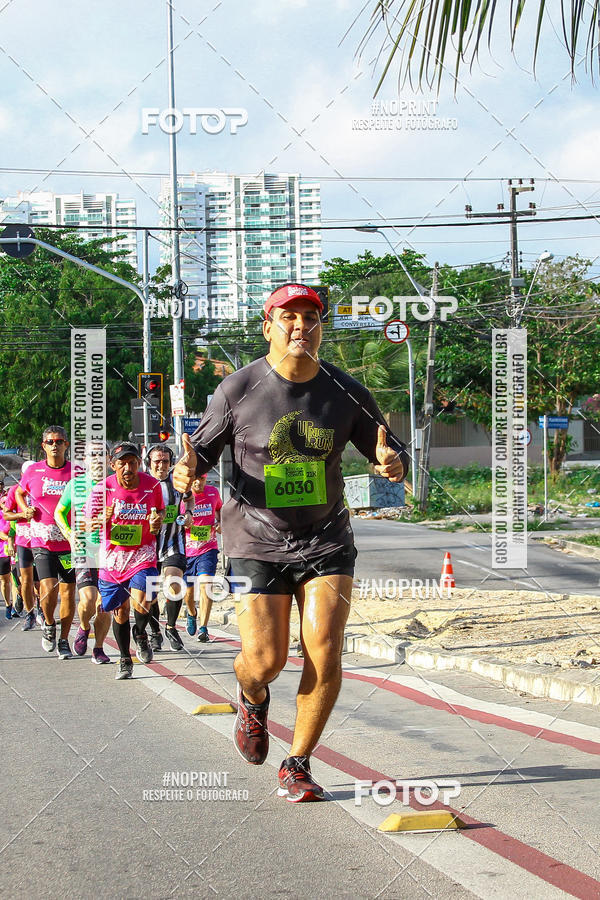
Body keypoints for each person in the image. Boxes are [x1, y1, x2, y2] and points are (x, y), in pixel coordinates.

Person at [173, 283, 408, 802]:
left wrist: (394, 462)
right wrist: (184, 470)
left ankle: (298, 763)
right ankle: (251, 699)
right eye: (289, 318)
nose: (300, 326)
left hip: (326, 539)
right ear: (268, 326)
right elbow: (198, 457)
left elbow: (390, 451)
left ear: (322, 327)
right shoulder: (238, 389)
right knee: (265, 659)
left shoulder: (345, 390)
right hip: (252, 539)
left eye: (311, 318)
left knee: (324, 651)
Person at [86, 442, 164, 680]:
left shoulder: (152, 486)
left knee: (142, 604)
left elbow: (160, 511)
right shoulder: (102, 489)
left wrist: (156, 522)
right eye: (122, 463)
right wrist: (101, 518)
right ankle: (124, 659)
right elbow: (88, 525)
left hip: (143, 553)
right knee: (120, 612)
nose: (128, 468)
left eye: (132, 462)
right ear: (113, 465)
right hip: (114, 558)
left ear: (139, 464)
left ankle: (140, 632)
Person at [16, 427, 75, 658]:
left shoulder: (76, 472)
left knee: (69, 593)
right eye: (50, 441)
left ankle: (63, 640)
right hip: (42, 541)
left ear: (66, 445)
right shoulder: (33, 471)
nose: (55, 445)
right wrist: (24, 510)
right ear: (43, 445)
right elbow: (20, 494)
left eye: (59, 441)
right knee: (48, 589)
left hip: (70, 544)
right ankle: (49, 624)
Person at [54, 441, 112, 664]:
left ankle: (98, 648)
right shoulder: (75, 485)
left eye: (102, 454)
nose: (97, 458)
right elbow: (60, 512)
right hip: (83, 550)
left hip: (109, 552)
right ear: (85, 460)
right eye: (92, 454)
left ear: (109, 459)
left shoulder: (114, 485)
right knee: (88, 600)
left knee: (104, 605)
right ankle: (84, 626)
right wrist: (69, 534)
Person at [145, 443, 193, 652]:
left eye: (165, 461)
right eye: (157, 461)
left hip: (173, 542)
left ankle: (171, 627)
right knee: (150, 593)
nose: (161, 465)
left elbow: (189, 498)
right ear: (149, 463)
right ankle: (155, 631)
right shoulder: (140, 483)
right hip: (146, 546)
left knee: (174, 584)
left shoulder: (177, 481)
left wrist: (189, 514)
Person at [182, 474, 222, 643]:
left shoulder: (213, 492)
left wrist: (220, 521)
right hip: (187, 551)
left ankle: (204, 628)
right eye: (195, 479)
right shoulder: (184, 497)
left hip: (208, 549)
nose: (198, 482)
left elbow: (220, 509)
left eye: (202, 479)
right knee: (187, 593)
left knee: (206, 585)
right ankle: (192, 613)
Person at [4, 461, 40, 631]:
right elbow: (7, 514)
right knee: (25, 580)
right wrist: (22, 514)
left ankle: (41, 608)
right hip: (23, 541)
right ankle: (30, 613)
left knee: (42, 583)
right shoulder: (15, 491)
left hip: (42, 541)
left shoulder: (42, 488)